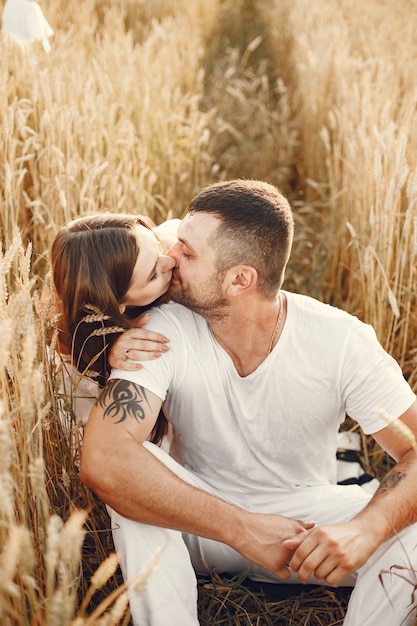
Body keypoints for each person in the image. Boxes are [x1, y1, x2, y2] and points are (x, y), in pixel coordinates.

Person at [80, 179, 417, 626]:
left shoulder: (340, 340)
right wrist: (240, 527)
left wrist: (364, 530)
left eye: (187, 250)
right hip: (195, 522)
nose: (169, 257)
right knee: (129, 471)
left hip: (304, 531)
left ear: (240, 279)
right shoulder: (160, 328)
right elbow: (103, 458)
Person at [45, 212, 178, 443]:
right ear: (118, 305)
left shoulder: (170, 244)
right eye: (153, 275)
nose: (172, 261)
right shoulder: (74, 383)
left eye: (156, 246)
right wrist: (107, 348)